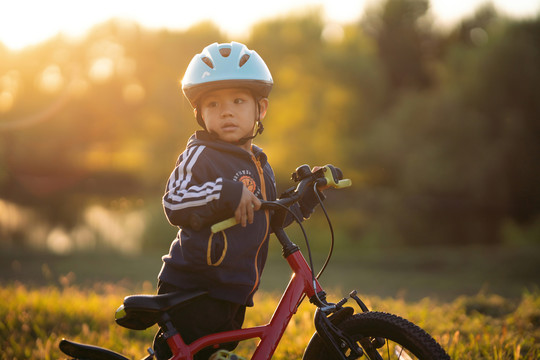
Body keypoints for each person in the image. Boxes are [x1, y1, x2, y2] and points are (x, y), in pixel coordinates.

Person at [153, 41, 324, 360]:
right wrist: (223, 193)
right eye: (213, 104)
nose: (226, 111)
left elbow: (270, 216)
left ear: (260, 110)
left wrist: (306, 196)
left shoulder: (260, 163)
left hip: (233, 291)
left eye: (238, 100)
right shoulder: (200, 156)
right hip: (192, 290)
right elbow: (174, 202)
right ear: (200, 114)